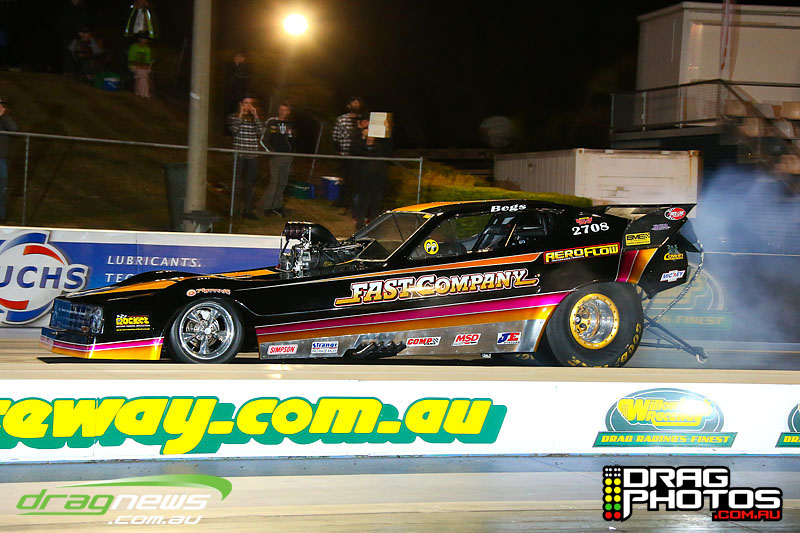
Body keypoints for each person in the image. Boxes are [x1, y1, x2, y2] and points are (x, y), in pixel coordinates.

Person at [226, 94, 265, 220]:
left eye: (250, 103)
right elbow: (234, 130)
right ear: (241, 104)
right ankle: (234, 210)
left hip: (252, 155)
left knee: (249, 184)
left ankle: (248, 211)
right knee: (236, 183)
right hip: (239, 154)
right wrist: (241, 115)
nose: (248, 106)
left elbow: (261, 132)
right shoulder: (233, 117)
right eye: (246, 103)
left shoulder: (255, 119)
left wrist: (256, 116)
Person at [351, 120, 393, 229]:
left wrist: (387, 130)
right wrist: (361, 134)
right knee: (362, 203)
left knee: (375, 204)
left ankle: (374, 225)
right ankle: (360, 223)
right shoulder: (362, 149)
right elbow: (354, 149)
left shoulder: (379, 149)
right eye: (367, 138)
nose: (369, 139)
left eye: (371, 138)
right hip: (364, 180)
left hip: (377, 180)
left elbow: (388, 147)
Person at [259, 103, 297, 217]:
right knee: (274, 181)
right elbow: (263, 139)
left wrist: (292, 150)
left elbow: (293, 139)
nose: (282, 112)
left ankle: (277, 206)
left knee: (283, 182)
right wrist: (271, 151)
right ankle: (267, 206)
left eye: (285, 110)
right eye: (281, 110)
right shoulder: (272, 122)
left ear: (288, 111)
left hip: (288, 156)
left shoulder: (290, 124)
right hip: (276, 156)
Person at [331, 97, 364, 210]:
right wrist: (338, 151)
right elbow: (335, 136)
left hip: (359, 155)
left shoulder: (363, 120)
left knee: (355, 180)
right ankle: (342, 201)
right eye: (354, 103)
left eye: (358, 103)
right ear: (349, 105)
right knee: (344, 178)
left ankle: (352, 202)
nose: (356, 105)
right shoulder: (341, 119)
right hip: (345, 154)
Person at [0, 97, 18, 222]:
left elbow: (14, 128)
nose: (2, 108)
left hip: (1, 158)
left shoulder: (4, 120)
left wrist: (3, 116)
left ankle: (1, 216)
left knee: (2, 187)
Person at [127, 31, 153, 98]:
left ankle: (139, 92)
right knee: (143, 75)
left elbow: (147, 62)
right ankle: (144, 93)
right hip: (134, 66)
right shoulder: (133, 47)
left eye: (145, 39)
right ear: (139, 39)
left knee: (143, 76)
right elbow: (131, 60)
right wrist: (140, 65)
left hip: (143, 66)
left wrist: (144, 66)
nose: (144, 40)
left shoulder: (147, 49)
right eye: (143, 38)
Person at [225, 50, 251, 116]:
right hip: (232, 91)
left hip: (241, 91)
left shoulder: (245, 67)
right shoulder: (230, 66)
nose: (242, 59)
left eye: (243, 57)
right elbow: (231, 77)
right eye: (240, 56)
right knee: (231, 108)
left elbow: (246, 77)